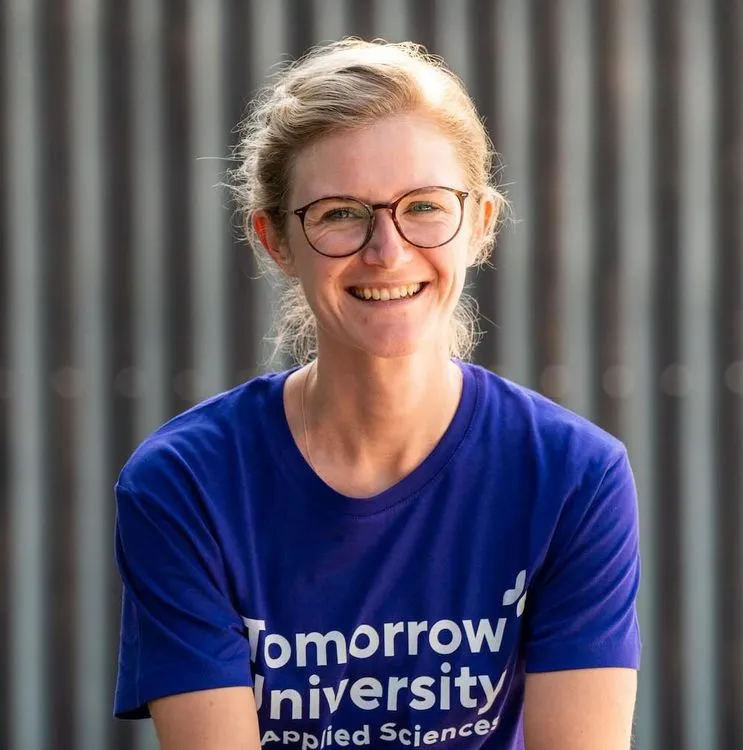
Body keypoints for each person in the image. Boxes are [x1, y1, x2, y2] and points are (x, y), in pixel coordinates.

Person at [113, 38, 641, 750]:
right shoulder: (185, 483)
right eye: (338, 213)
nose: (386, 251)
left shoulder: (573, 475)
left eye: (423, 206)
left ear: (479, 224)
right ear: (274, 240)